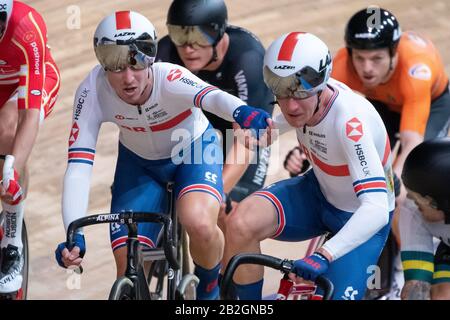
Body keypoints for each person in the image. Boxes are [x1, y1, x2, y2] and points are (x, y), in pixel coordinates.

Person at [53, 10, 271, 300]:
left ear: (151, 58)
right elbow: (79, 167)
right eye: (116, 67)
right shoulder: (92, 91)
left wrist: (242, 112)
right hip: (139, 164)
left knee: (200, 222)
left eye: (135, 63)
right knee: (127, 264)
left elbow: (212, 97)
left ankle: (208, 289)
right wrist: (73, 232)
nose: (128, 78)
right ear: (102, 62)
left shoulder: (170, 77)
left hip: (193, 150)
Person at [283, 7, 450, 299]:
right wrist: (303, 150)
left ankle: (403, 263)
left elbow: (411, 142)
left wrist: (391, 180)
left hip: (428, 104)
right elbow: (320, 118)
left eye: (376, 58)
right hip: (381, 104)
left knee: (402, 191)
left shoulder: (416, 69)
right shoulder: (341, 64)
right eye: (359, 58)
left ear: (394, 54)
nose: (366, 68)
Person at [222, 32, 396, 300]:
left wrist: (324, 254)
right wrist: (268, 130)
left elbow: (376, 209)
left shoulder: (351, 124)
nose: (290, 105)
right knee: (240, 224)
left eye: (300, 94)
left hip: (359, 217)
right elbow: (292, 112)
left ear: (321, 83)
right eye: (281, 92)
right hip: (320, 191)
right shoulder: (306, 90)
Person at [156, 0, 274, 218]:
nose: (189, 48)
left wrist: (221, 192)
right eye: (180, 36)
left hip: (245, 131)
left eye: (200, 37)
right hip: (194, 123)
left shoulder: (248, 59)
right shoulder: (165, 54)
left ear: (219, 34)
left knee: (231, 212)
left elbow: (247, 141)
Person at [0, 0, 60, 297]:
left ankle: (12, 242)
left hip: (28, 80)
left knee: (8, 127)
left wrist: (11, 167)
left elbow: (29, 116)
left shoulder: (26, 27)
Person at [400, 138, 450, 300]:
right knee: (441, 295)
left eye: (417, 198)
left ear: (441, 201)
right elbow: (416, 283)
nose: (409, 199)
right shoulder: (411, 208)